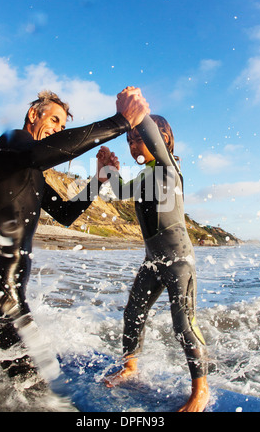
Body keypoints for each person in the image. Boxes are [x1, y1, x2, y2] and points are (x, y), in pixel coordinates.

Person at [0, 87, 150, 378]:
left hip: (5, 283)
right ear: (33, 114)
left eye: (62, 126)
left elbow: (65, 214)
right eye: (54, 121)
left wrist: (98, 180)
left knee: (21, 374)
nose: (57, 130)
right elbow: (43, 152)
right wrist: (120, 122)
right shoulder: (12, 142)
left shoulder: (30, 170)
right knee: (32, 378)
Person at [97, 114, 209, 412]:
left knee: (183, 323)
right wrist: (106, 168)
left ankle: (201, 390)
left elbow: (156, 143)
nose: (134, 146)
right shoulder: (145, 176)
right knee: (133, 313)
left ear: (162, 140)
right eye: (130, 141)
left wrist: (138, 113)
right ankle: (130, 367)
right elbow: (118, 192)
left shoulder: (168, 168)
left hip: (179, 261)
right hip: (152, 261)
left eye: (140, 139)